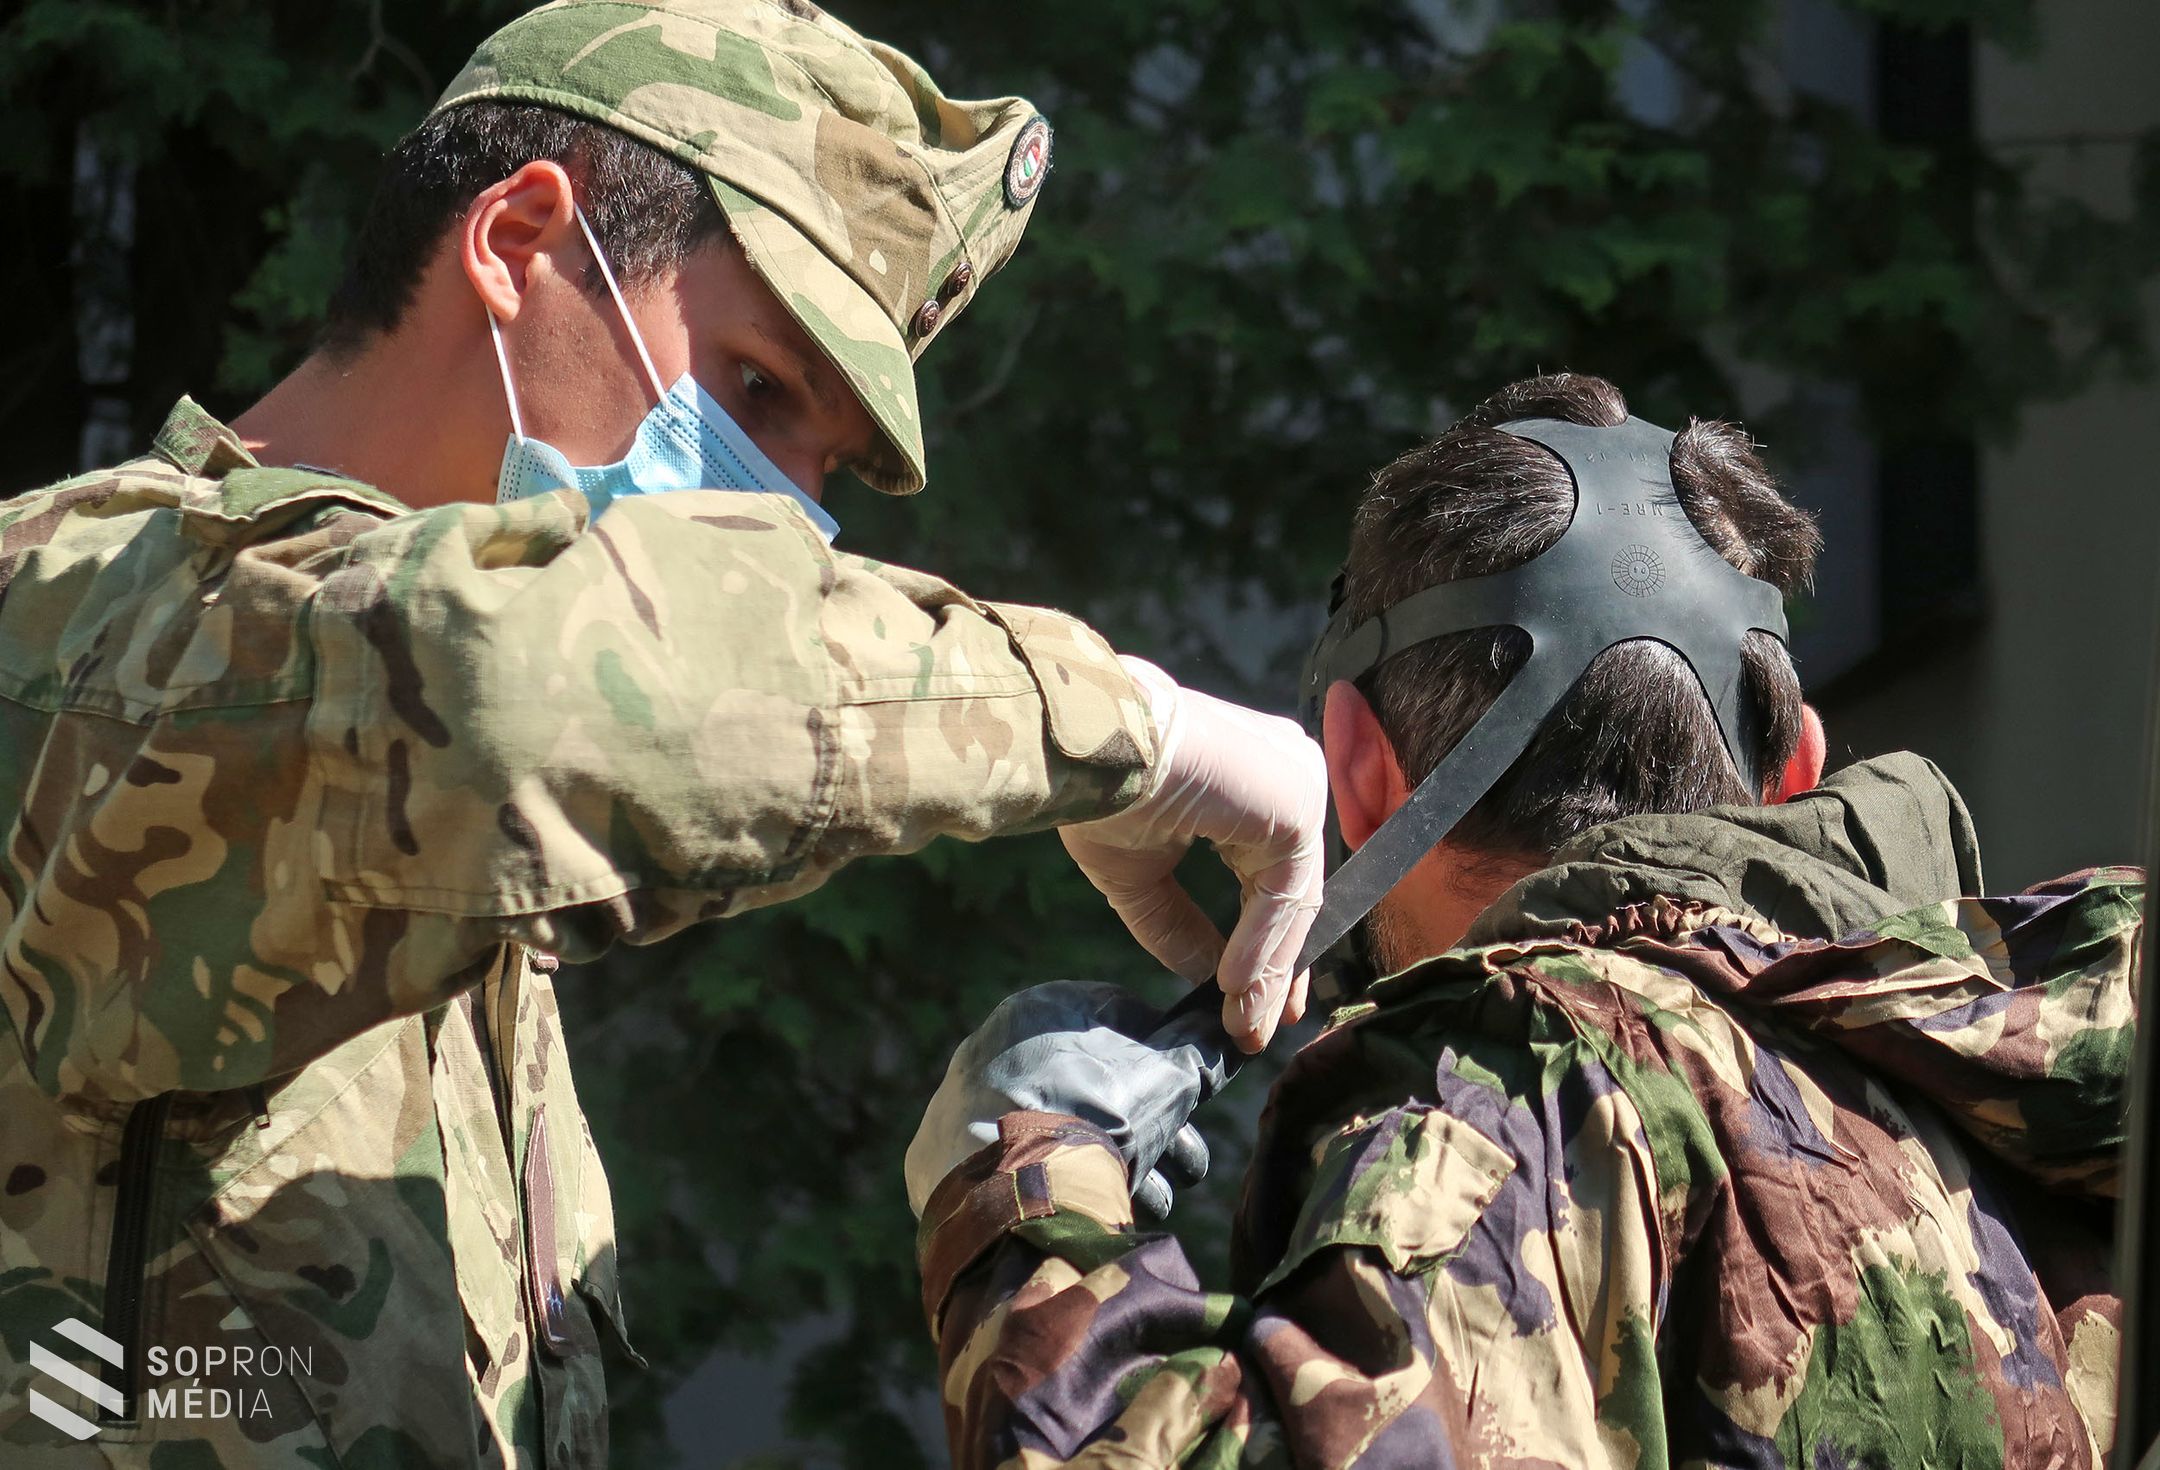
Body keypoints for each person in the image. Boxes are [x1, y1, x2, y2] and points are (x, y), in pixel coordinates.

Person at [0, 2, 1328, 1463]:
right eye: (755, 391)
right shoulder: (87, 611)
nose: (773, 524)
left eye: (814, 474)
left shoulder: (435, 813)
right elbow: (521, 697)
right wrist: (1131, 718)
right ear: (517, 242)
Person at [908, 372, 2134, 1468]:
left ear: (1357, 768)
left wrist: (1024, 1192)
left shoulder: (1524, 1105)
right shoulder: (2051, 1066)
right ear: (1798, 774)